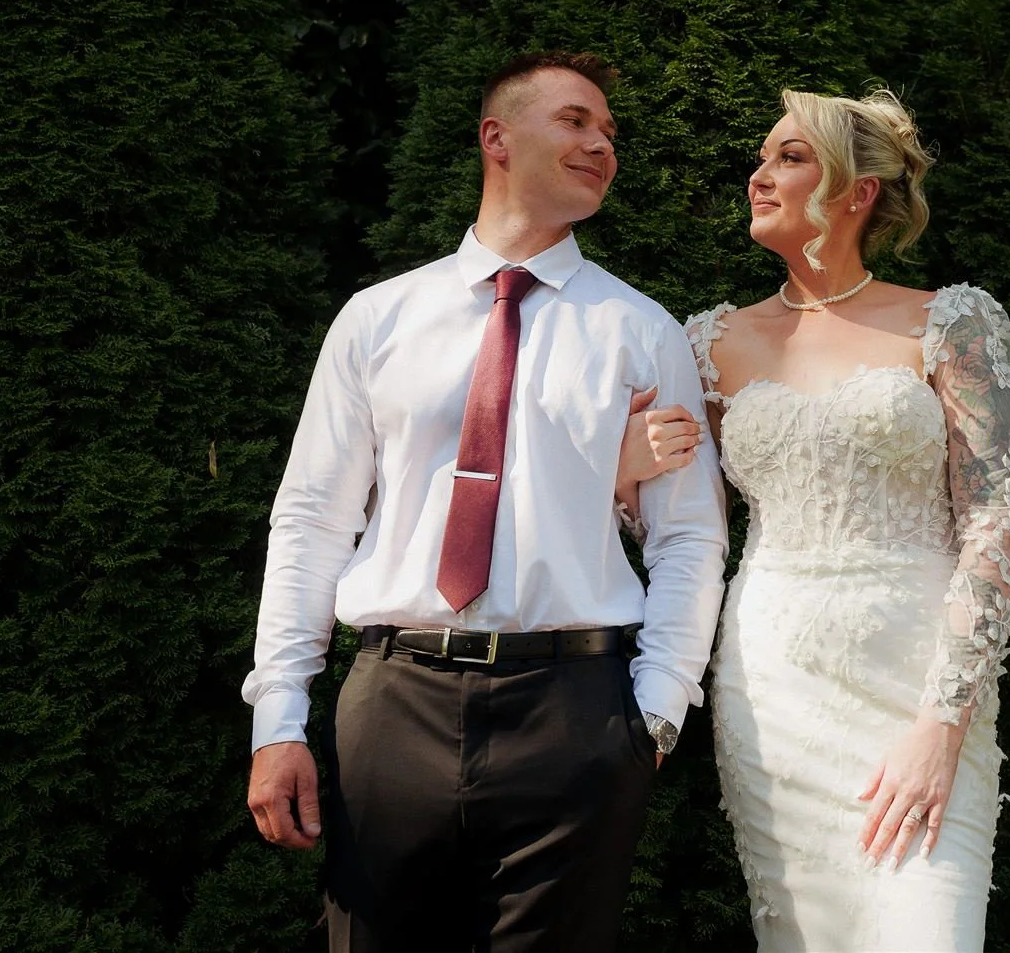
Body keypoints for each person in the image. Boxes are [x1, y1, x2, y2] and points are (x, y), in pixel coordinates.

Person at [245, 52, 728, 952]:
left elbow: (691, 539)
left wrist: (656, 710)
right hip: (394, 704)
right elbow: (312, 520)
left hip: (577, 711)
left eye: (610, 133)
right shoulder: (377, 318)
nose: (602, 144)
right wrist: (279, 716)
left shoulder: (642, 331)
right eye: (577, 121)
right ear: (496, 137)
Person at [620, 87, 1010, 952]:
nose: (759, 174)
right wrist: (629, 470)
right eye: (763, 157)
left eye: (788, 157)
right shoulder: (708, 343)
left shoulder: (950, 322)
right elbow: (677, 532)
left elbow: (994, 519)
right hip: (772, 687)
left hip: (918, 682)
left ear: (857, 191)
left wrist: (941, 721)